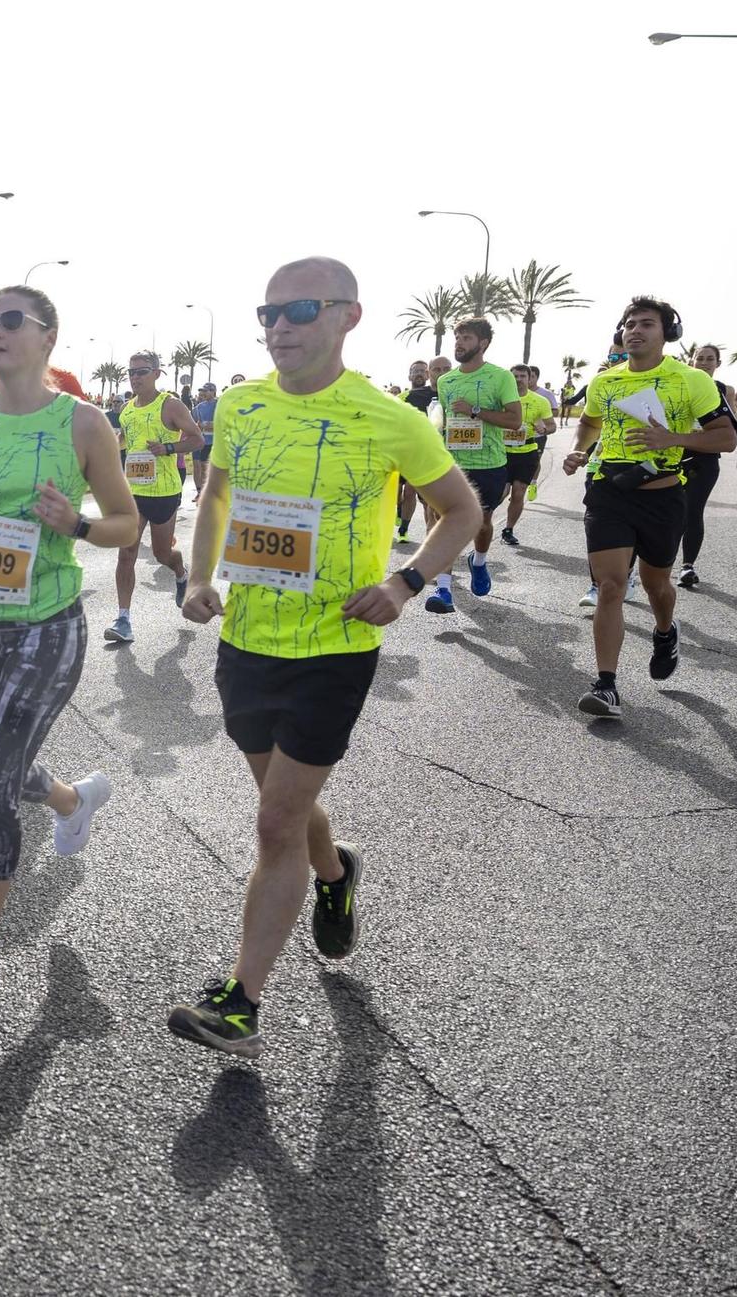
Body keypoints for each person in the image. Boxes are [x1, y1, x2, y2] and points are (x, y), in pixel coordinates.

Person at [169, 257, 478, 1057]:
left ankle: (242, 1002)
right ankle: (337, 873)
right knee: (289, 807)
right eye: (268, 313)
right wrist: (199, 577)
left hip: (335, 648)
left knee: (273, 821)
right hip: (247, 642)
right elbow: (215, 497)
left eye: (300, 310)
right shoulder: (238, 405)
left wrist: (407, 582)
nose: (280, 327)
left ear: (349, 316)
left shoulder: (390, 417)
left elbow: (462, 509)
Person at [0, 288, 138, 1017]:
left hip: (48, 622)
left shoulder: (83, 422)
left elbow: (126, 525)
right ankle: (74, 801)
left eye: (12, 321)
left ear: (48, 338)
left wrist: (75, 521)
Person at [562, 297, 735, 718]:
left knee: (656, 584)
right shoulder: (605, 382)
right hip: (608, 491)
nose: (635, 331)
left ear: (667, 333)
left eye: (646, 324)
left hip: (662, 494)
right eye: (629, 324)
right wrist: (578, 449)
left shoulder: (690, 379)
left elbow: (726, 438)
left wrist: (671, 439)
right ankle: (606, 687)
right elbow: (589, 422)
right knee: (610, 586)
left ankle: (664, 630)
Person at [422, 319, 522, 614]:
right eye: (457, 337)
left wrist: (475, 411)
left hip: (489, 463)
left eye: (466, 338)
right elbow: (445, 421)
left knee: (482, 524)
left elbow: (514, 420)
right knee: (443, 523)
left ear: (483, 343)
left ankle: (478, 561)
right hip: (452, 464)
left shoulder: (500, 377)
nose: (459, 343)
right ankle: (443, 590)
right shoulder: (446, 381)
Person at [107, 351, 204, 644]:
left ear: (157, 373)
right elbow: (126, 438)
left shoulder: (170, 405)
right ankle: (123, 619)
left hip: (163, 491)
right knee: (127, 553)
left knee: (163, 554)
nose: (135, 377)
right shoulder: (126, 409)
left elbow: (197, 439)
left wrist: (169, 449)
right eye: (131, 372)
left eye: (142, 371)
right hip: (133, 492)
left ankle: (180, 572)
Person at [677, 344, 734, 588]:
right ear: (692, 361)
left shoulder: (724, 389)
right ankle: (653, 565)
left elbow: (730, 425)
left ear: (717, 363)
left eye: (710, 359)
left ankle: (687, 566)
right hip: (677, 452)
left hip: (706, 457)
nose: (704, 362)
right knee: (666, 511)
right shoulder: (680, 384)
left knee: (692, 511)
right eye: (699, 358)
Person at [498, 364, 557, 546]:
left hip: (526, 452)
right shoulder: (499, 399)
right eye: (514, 376)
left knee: (518, 493)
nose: (518, 379)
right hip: (502, 452)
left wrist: (544, 429)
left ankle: (508, 529)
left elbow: (552, 425)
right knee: (501, 492)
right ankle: (482, 524)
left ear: (530, 378)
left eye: (522, 376)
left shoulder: (540, 401)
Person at [396, 360, 437, 541]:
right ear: (409, 376)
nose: (419, 374)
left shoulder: (435, 396)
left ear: (428, 375)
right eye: (416, 371)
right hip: (401, 452)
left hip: (421, 455)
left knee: (411, 492)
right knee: (397, 494)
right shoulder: (403, 397)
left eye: (423, 371)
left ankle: (404, 529)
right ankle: (399, 511)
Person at [190, 381, 219, 502]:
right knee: (202, 467)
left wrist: (206, 424)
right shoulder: (199, 407)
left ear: (213, 391)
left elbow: (221, 423)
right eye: (203, 391)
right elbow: (194, 422)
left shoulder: (219, 404)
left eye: (206, 391)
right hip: (203, 442)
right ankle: (202, 492)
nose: (204, 393)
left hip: (216, 442)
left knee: (215, 469)